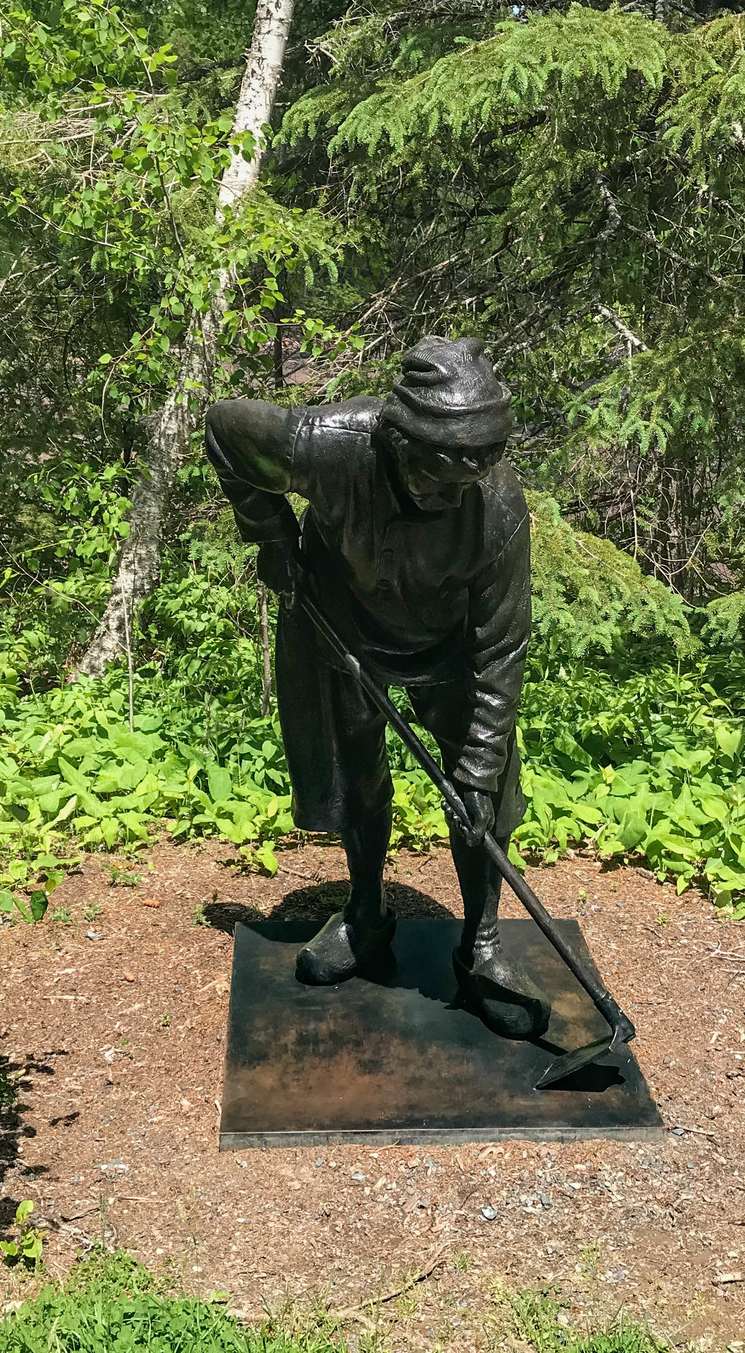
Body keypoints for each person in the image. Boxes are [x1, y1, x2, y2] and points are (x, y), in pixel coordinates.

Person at [205, 335, 548, 1038]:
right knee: (360, 777)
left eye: (467, 481)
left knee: (482, 800)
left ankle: (481, 950)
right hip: (346, 630)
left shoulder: (498, 509)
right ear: (396, 438)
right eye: (438, 475)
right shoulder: (327, 445)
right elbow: (225, 427)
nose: (450, 495)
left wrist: (479, 770)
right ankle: (365, 915)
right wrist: (271, 536)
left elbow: (501, 644)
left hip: (451, 650)